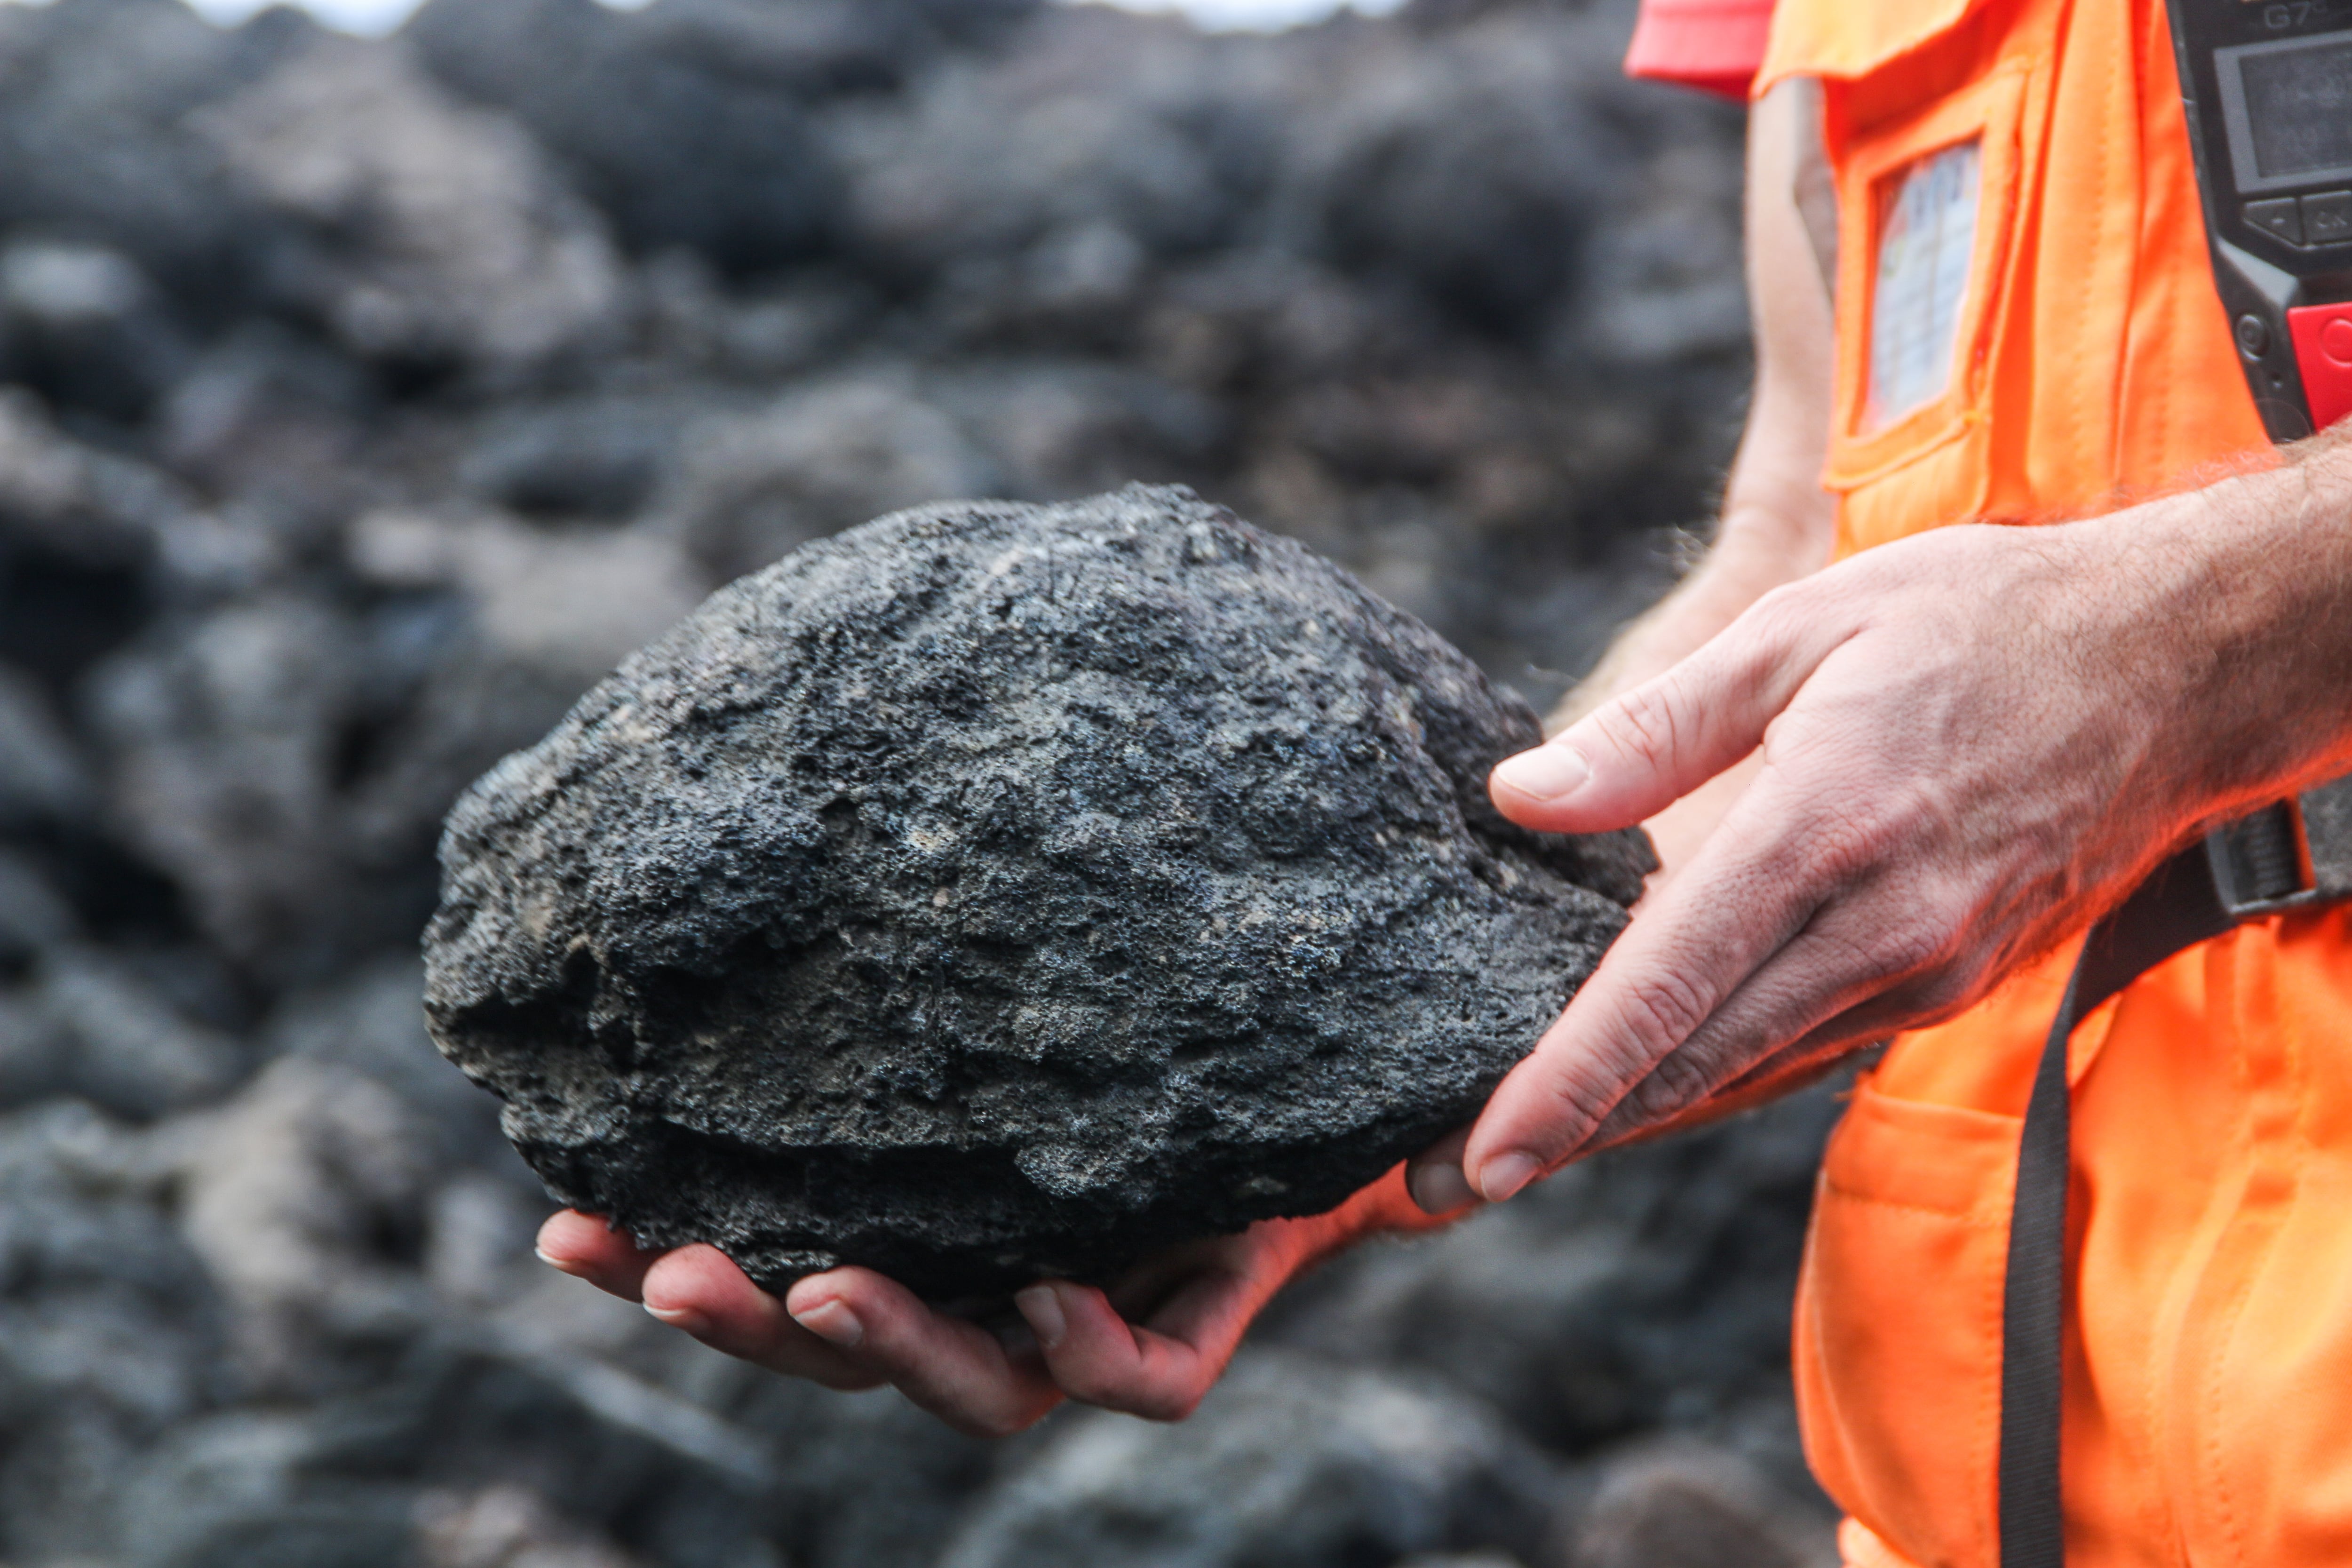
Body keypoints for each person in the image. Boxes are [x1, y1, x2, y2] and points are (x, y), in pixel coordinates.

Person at [541, 0, 2352, 1560]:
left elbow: (2068, 659)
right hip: (2017, 1451)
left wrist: (2182, 656)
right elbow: (1804, 539)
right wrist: (1341, 1071)